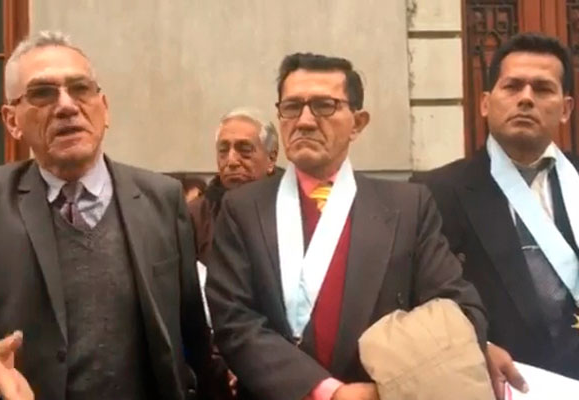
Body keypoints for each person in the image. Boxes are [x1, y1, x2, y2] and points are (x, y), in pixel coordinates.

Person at [205, 52, 489, 400]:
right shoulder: (243, 209)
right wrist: (327, 392)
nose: (305, 121)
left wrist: (392, 387)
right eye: (292, 107)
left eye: (324, 106)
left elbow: (457, 308)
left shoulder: (407, 207)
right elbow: (233, 319)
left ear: (358, 122)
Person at [0, 31, 214, 400]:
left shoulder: (162, 199)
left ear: (104, 108)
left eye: (80, 89)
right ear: (11, 120)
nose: (66, 106)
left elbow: (192, 332)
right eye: (43, 93)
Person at [412, 32, 579, 394]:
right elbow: (421, 301)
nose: (526, 98)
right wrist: (475, 346)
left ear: (566, 109)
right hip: (504, 385)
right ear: (486, 103)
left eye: (543, 89)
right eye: (512, 86)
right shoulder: (435, 192)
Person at [189, 107, 278, 263]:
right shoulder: (196, 216)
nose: (231, 161)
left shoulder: (293, 205)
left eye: (245, 150)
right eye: (223, 150)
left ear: (271, 158)